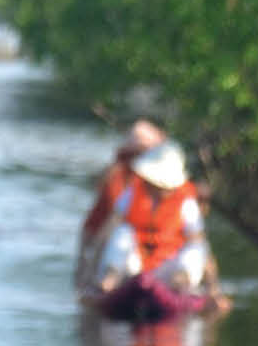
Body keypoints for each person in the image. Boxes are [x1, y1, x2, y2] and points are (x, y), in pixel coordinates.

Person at [87, 139, 222, 310]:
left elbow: (202, 247)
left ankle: (181, 289)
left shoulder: (186, 201)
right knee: (122, 233)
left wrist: (214, 290)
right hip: (134, 268)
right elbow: (107, 231)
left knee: (195, 249)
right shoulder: (133, 192)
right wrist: (89, 275)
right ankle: (108, 283)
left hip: (170, 271)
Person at [77, 119, 166, 288]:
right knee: (123, 234)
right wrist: (86, 269)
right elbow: (97, 227)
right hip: (116, 250)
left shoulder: (171, 184)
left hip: (153, 253)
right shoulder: (117, 177)